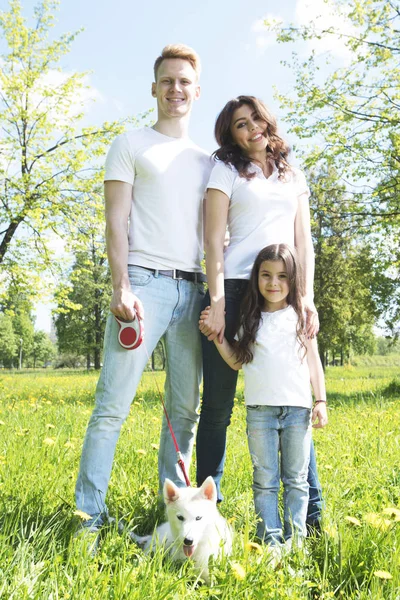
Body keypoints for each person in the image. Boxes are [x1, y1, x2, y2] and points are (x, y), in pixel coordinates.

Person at [75, 44, 212, 532]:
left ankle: (173, 520)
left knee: (184, 412)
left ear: (197, 91)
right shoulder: (130, 143)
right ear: (154, 88)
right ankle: (89, 520)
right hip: (143, 287)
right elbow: (116, 221)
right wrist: (121, 285)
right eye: (167, 81)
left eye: (184, 82)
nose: (176, 89)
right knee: (112, 407)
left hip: (193, 291)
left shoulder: (208, 160)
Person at [197, 95, 323, 530]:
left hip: (281, 290)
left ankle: (313, 514)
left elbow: (302, 241)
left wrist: (304, 295)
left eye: (255, 119)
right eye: (239, 125)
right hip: (233, 290)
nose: (250, 129)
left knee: (293, 399)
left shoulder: (292, 175)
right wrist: (217, 303)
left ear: (267, 121)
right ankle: (205, 514)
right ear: (230, 135)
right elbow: (214, 240)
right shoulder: (226, 171)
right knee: (217, 408)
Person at [200, 243, 328, 550]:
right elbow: (236, 360)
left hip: (297, 411)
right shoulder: (249, 319)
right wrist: (218, 339)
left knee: (297, 480)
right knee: (265, 479)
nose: (273, 283)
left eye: (282, 276)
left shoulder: (301, 317)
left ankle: (296, 541)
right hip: (260, 412)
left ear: (293, 279)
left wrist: (321, 401)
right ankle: (270, 540)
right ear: (256, 278)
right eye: (266, 275)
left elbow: (314, 363)